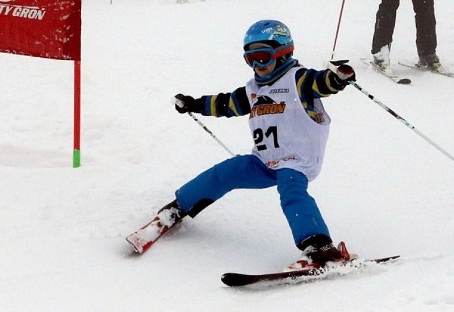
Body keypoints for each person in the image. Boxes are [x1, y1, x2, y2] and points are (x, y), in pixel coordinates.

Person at [140, 19, 357, 270]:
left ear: (283, 53)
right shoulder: (254, 89)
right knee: (225, 172)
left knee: (292, 193)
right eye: (250, 59)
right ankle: (177, 208)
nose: (257, 65)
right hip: (263, 161)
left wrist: (338, 78)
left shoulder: (298, 79)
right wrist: (195, 104)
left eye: (263, 57)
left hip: (296, 161)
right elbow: (226, 104)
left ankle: (321, 248)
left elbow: (323, 83)